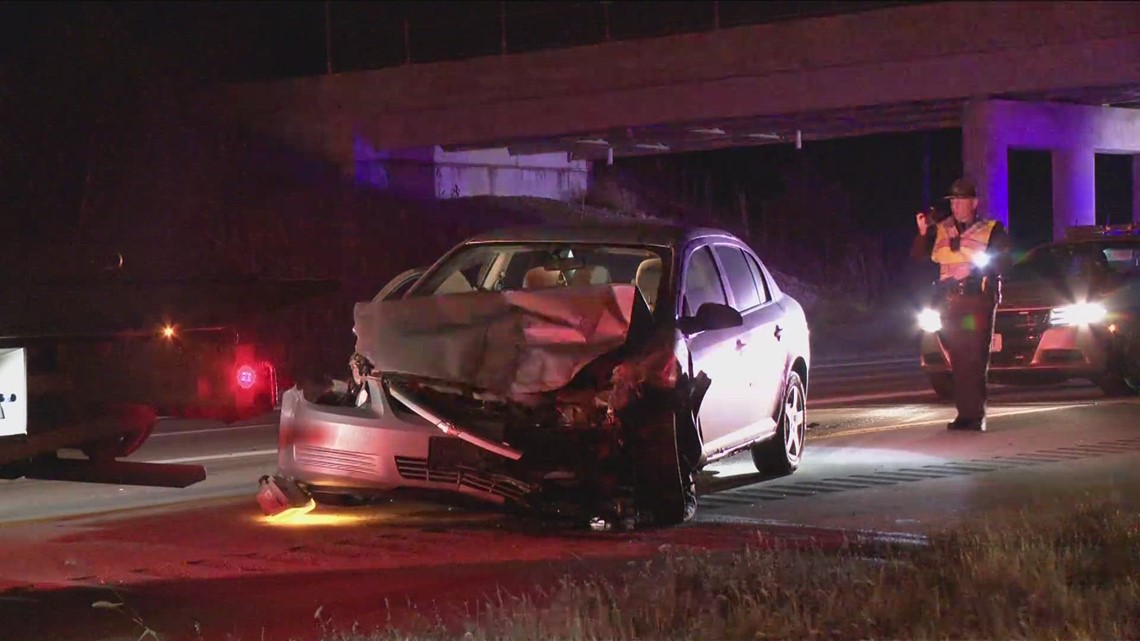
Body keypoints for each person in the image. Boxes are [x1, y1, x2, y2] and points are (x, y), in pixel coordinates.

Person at [912, 177, 1013, 431]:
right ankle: (965, 413)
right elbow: (918, 257)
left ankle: (974, 415)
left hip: (976, 300)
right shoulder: (942, 228)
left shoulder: (991, 229)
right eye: (953, 201)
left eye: (961, 201)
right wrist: (923, 233)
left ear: (974, 203)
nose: (956, 206)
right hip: (951, 301)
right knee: (958, 358)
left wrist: (980, 269)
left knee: (974, 357)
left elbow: (1005, 261)